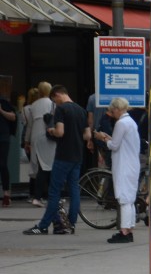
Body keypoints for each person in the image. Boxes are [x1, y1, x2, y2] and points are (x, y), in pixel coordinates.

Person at [23, 85, 90, 236]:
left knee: (54, 192)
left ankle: (43, 226)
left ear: (58, 94)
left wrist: (51, 130)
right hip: (77, 155)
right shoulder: (81, 110)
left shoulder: (61, 110)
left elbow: (60, 132)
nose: (56, 103)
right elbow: (87, 136)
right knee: (74, 190)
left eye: (55, 100)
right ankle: (70, 224)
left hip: (63, 155)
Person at [92, 97, 138, 243]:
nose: (112, 114)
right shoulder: (131, 122)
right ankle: (129, 229)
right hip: (132, 164)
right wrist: (110, 138)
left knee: (123, 199)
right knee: (130, 199)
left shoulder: (121, 123)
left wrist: (103, 138)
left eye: (112, 111)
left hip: (123, 165)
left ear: (117, 109)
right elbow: (121, 142)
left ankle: (123, 232)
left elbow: (114, 145)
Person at [24, 82, 54, 207]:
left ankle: (38, 195)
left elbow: (29, 125)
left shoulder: (34, 105)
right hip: (48, 135)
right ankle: (47, 195)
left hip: (35, 136)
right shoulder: (52, 104)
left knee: (39, 166)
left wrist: (27, 141)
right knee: (49, 166)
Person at [0, 88, 15, 206]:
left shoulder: (3, 102)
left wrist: (1, 111)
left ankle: (6, 194)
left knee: (2, 164)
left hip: (3, 138)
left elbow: (13, 117)